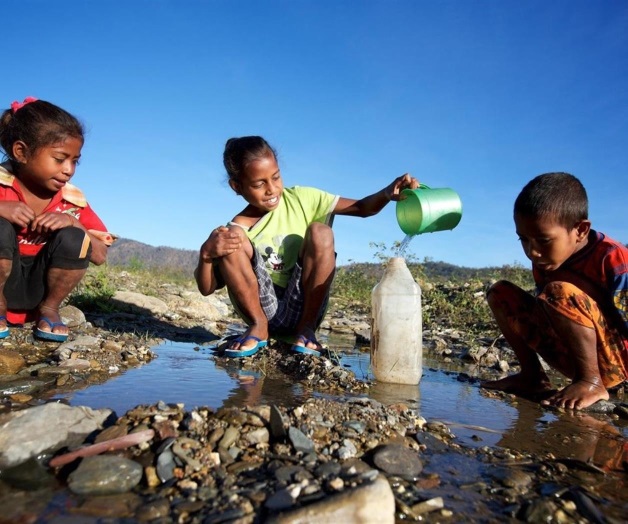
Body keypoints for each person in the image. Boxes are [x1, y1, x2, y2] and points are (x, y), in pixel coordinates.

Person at [196, 136, 418, 358]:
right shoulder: (236, 229)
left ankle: (306, 330)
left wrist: (388, 193)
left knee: (321, 232)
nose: (272, 189)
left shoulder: (302, 199)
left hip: (303, 307)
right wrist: (206, 254)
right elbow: (207, 288)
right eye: (259, 184)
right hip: (262, 309)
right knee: (230, 238)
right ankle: (258, 328)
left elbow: (361, 207)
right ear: (237, 186)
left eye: (276, 177)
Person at [481, 172, 627, 410]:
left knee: (559, 291)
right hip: (570, 353)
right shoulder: (545, 260)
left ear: (580, 229)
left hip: (615, 363)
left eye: (544, 240)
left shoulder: (613, 258)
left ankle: (591, 382)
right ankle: (533, 376)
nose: (532, 252)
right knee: (500, 292)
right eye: (524, 240)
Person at [0, 97, 114, 342]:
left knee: (75, 237)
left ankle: (49, 309)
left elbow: (100, 255)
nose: (69, 170)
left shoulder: (72, 201)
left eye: (75, 161)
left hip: (41, 291)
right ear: (21, 152)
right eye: (60, 158)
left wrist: (74, 222)